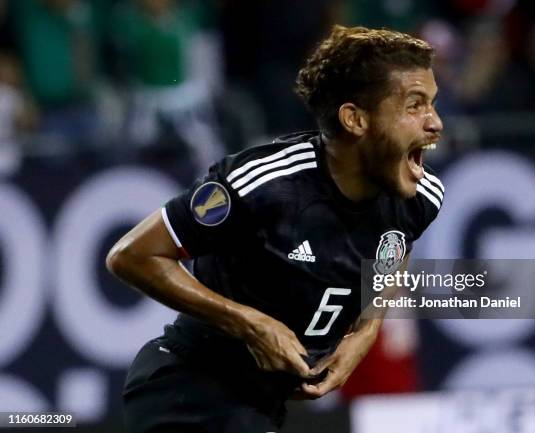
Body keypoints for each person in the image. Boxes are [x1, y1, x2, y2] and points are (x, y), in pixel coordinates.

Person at [107, 25, 444, 433]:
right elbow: (131, 255)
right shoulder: (266, 183)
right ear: (355, 119)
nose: (435, 123)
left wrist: (366, 331)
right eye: (415, 106)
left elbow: (395, 248)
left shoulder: (421, 197)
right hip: (187, 389)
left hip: (260, 405)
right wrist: (249, 323)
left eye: (432, 104)